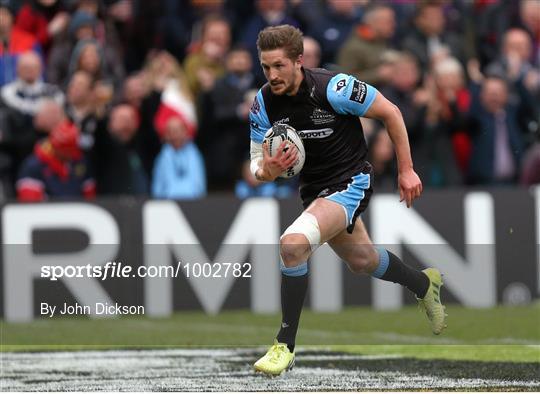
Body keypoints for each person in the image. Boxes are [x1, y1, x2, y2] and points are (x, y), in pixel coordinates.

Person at [249, 25, 447, 376]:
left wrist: (407, 170)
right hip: (314, 191)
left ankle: (284, 345)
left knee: (292, 245)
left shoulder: (335, 87)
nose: (272, 74)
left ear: (299, 61)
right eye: (266, 67)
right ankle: (423, 283)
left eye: (279, 65)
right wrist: (270, 169)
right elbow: (256, 168)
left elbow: (392, 113)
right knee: (362, 259)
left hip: (350, 182)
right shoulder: (263, 102)